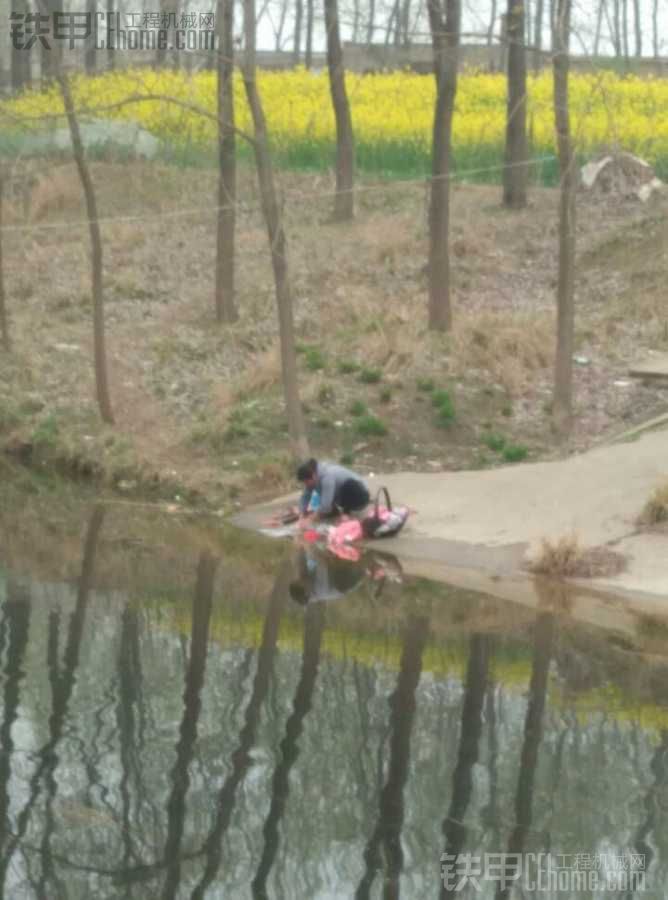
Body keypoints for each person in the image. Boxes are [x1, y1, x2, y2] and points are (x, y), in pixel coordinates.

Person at [296, 458, 370, 522]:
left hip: (360, 495)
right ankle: (335, 512)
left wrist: (310, 519)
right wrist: (302, 513)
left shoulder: (327, 477)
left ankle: (346, 513)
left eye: (306, 481)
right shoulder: (313, 476)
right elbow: (305, 497)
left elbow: (325, 506)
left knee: (348, 485)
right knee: (321, 505)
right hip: (342, 497)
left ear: (313, 475)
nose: (305, 484)